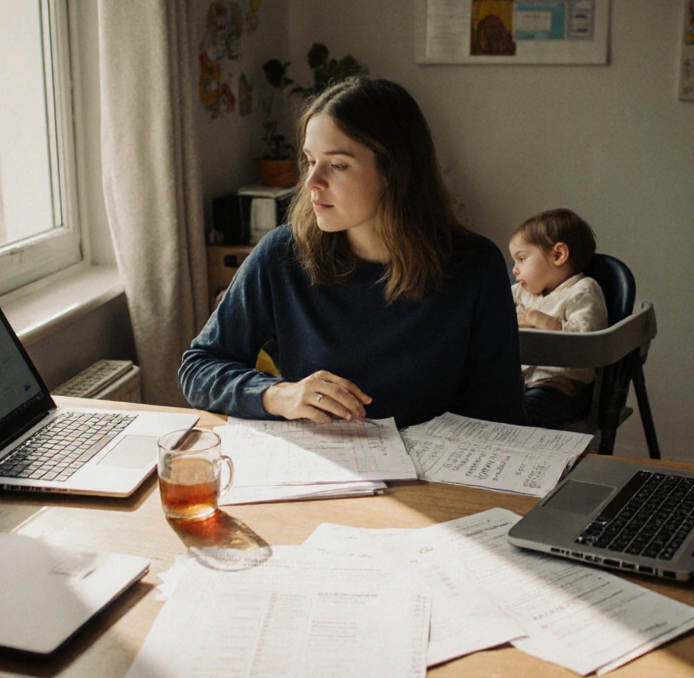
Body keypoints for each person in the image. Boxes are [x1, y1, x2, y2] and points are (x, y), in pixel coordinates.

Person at [179, 77, 525, 428]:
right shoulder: (281, 254)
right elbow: (198, 367)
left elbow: (500, 411)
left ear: (395, 172)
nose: (312, 182)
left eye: (338, 164)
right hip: (325, 472)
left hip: (438, 475)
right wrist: (280, 395)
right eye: (310, 160)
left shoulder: (476, 266)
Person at [509, 208, 608, 429]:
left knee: (523, 419)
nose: (514, 270)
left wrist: (537, 319)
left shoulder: (582, 291)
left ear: (558, 255)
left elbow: (584, 341)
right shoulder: (520, 293)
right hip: (516, 384)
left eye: (522, 259)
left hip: (559, 390)